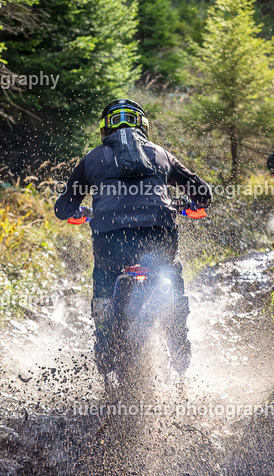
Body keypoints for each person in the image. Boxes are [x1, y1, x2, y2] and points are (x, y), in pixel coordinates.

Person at [54, 98, 211, 374]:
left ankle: (104, 343)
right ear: (143, 126)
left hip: (110, 239)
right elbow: (203, 194)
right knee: (170, 273)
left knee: (104, 276)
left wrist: (80, 212)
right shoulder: (160, 154)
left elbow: (62, 208)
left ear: (105, 130)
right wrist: (192, 206)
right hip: (159, 233)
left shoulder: (93, 158)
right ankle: (178, 342)